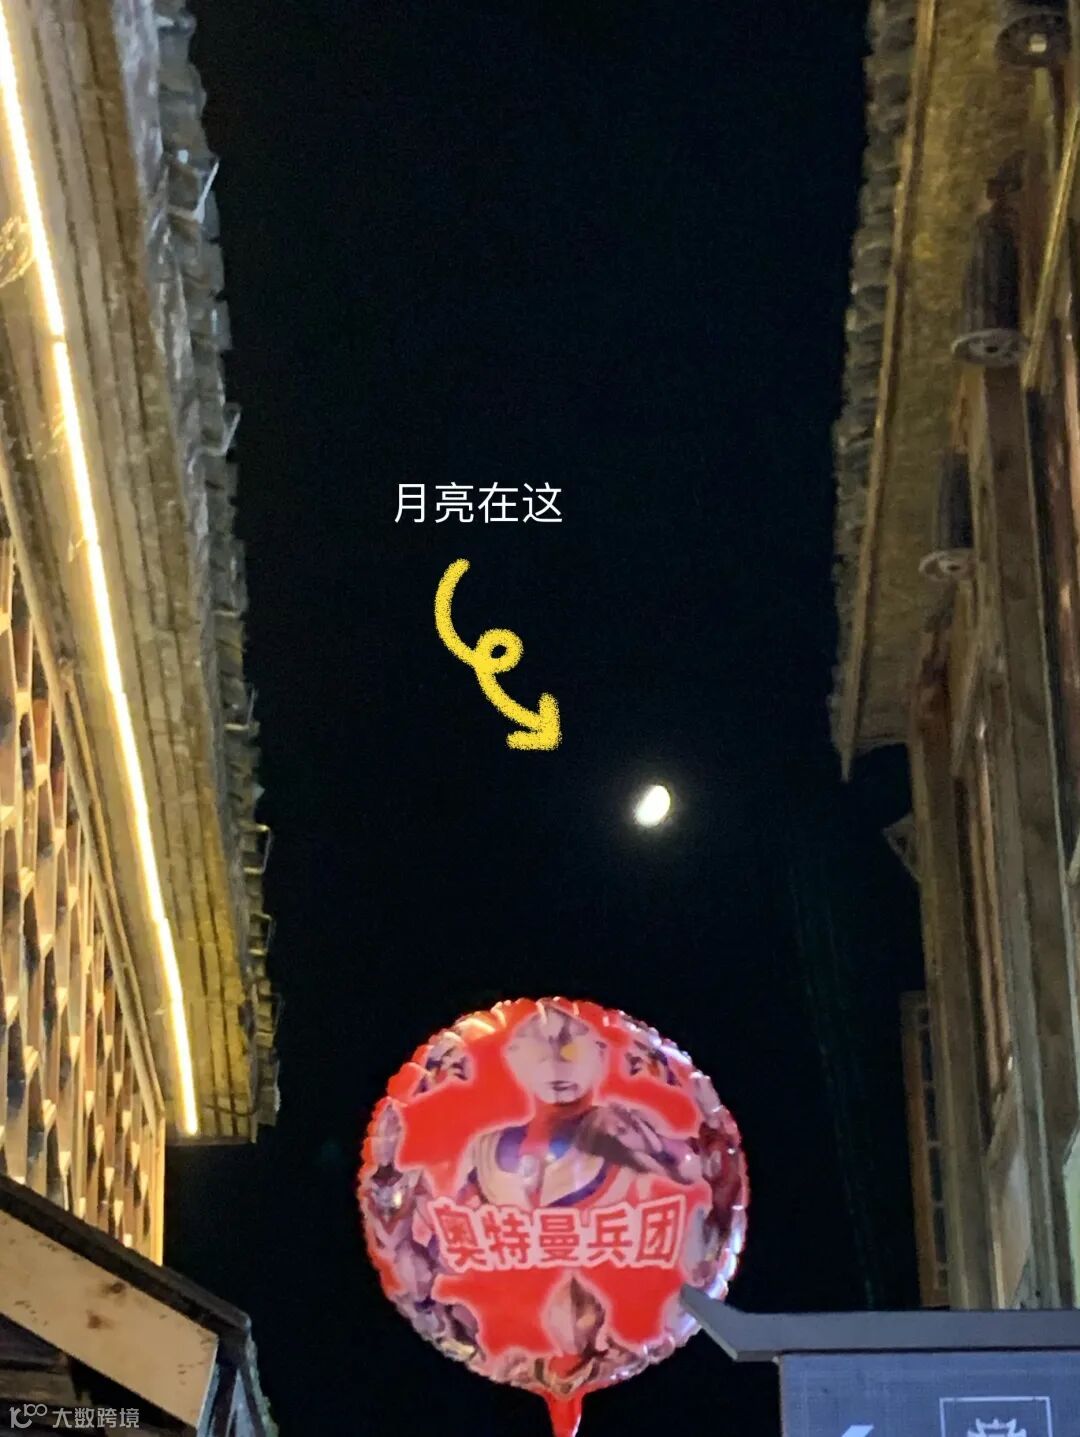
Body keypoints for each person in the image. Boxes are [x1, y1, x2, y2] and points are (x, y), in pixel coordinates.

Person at [457, 1005, 699, 1209]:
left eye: (571, 1052)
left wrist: (654, 1149)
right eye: (539, 1054)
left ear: (601, 1055)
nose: (555, 1067)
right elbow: (456, 1225)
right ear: (514, 1059)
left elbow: (692, 1173)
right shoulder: (485, 1149)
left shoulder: (626, 1128)